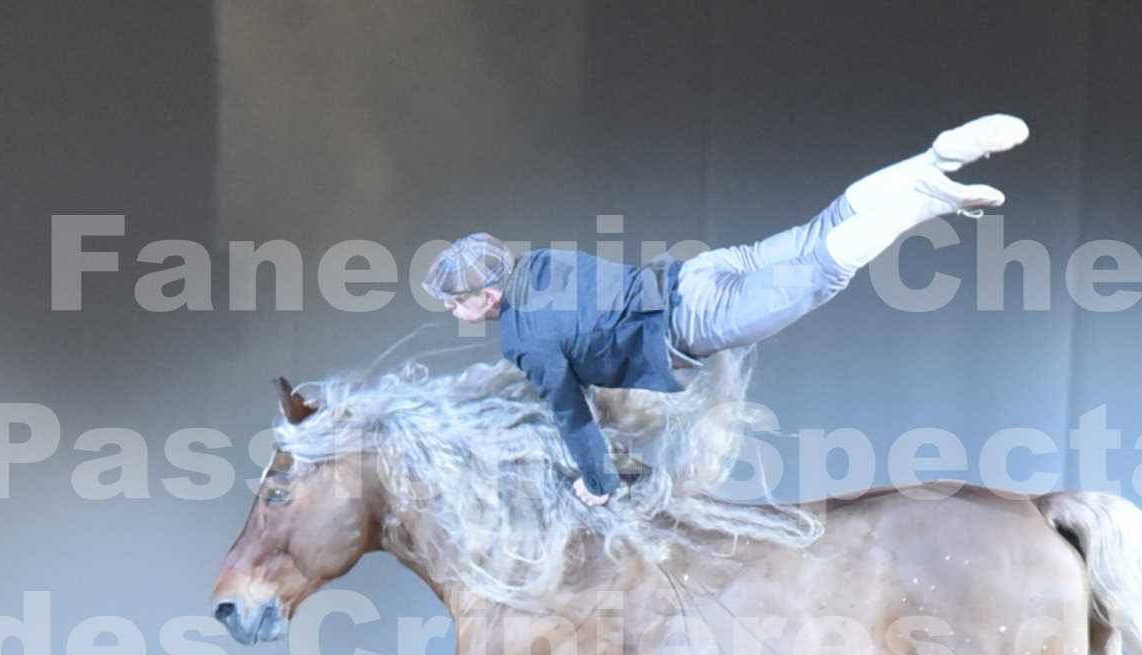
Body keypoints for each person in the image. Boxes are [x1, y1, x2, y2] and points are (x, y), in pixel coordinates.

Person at [423, 113, 1029, 507]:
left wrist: (598, 483)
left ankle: (923, 202)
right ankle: (935, 160)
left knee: (823, 274)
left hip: (697, 321)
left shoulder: (521, 339)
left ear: (488, 297)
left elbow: (570, 413)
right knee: (822, 229)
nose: (456, 312)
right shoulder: (541, 261)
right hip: (699, 270)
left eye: (457, 302)